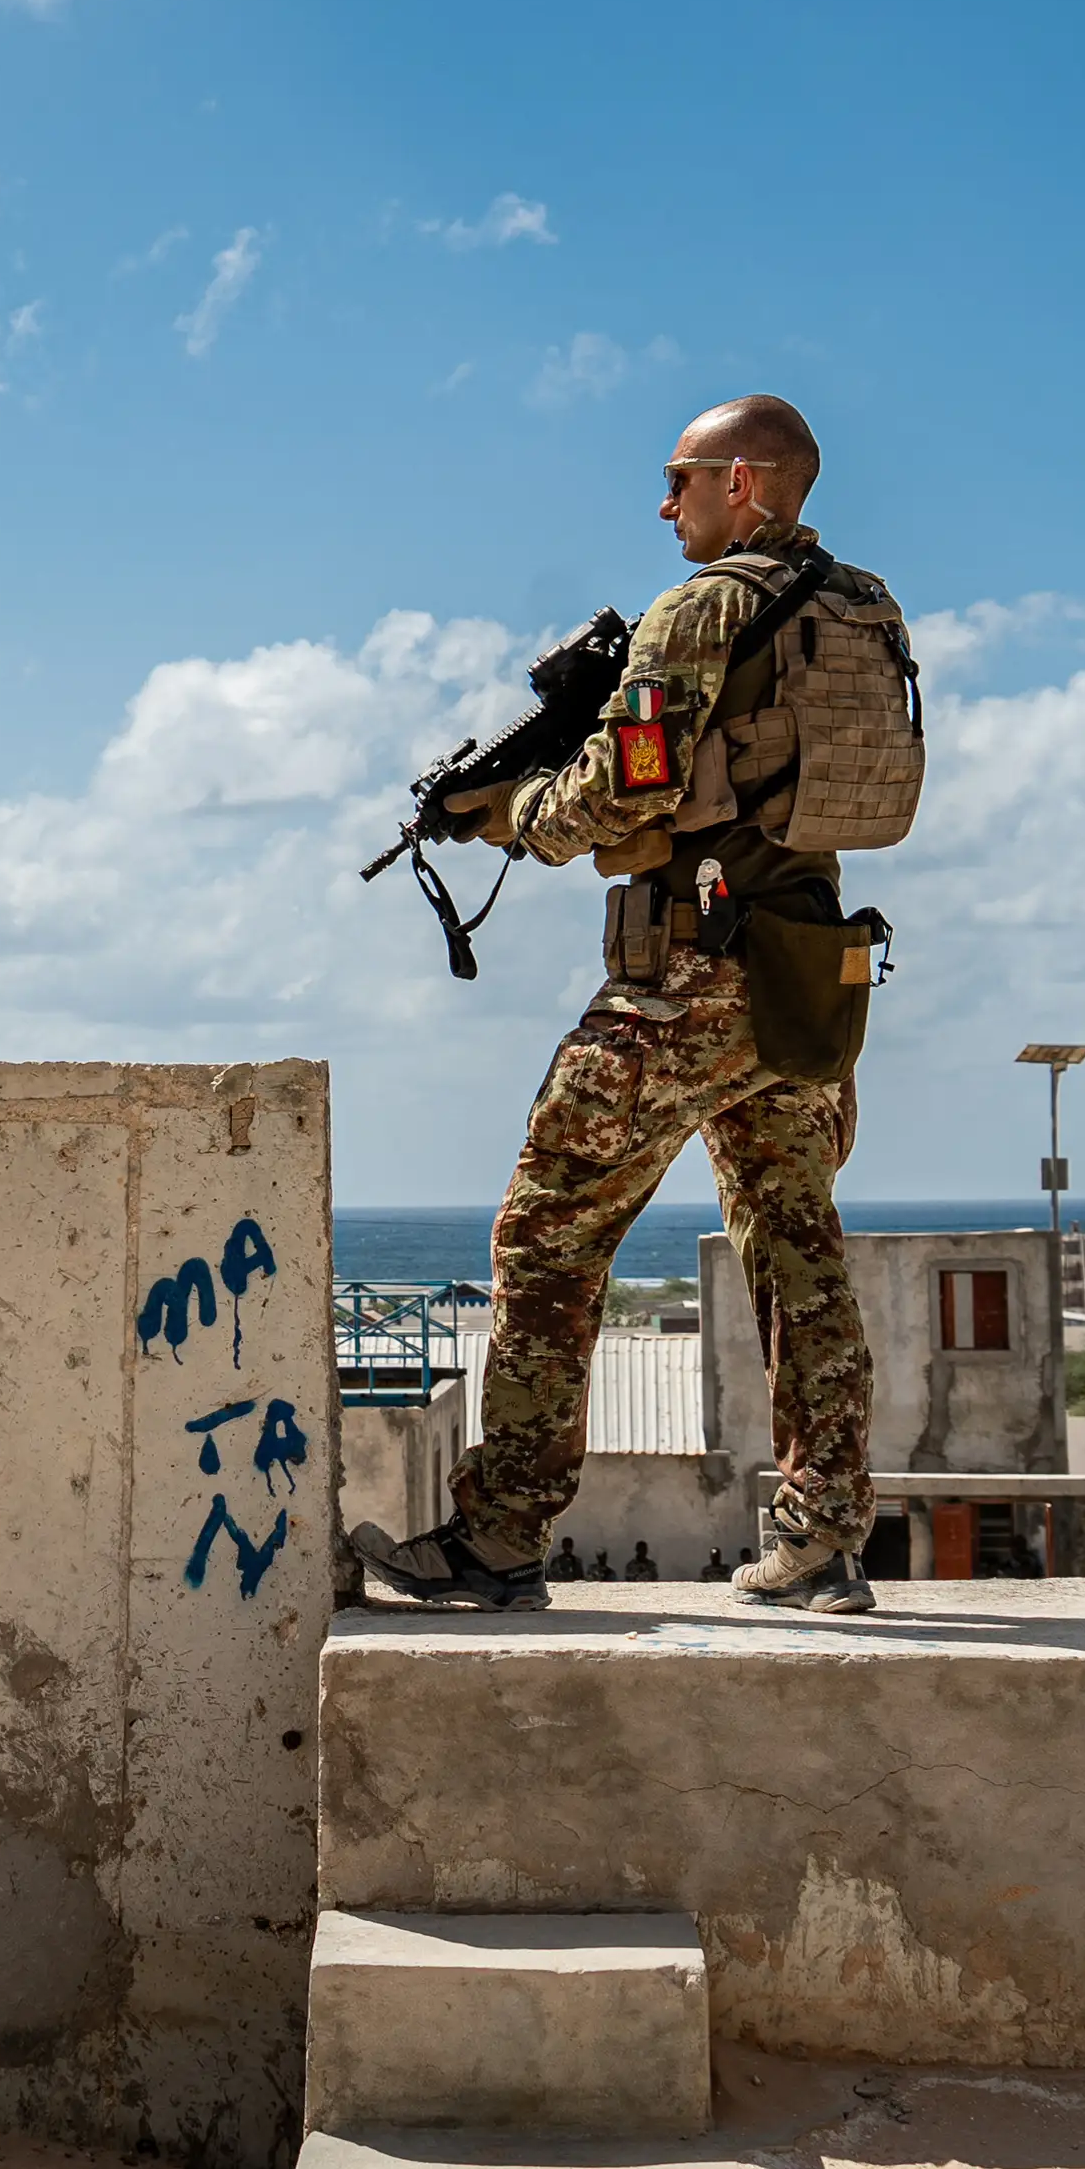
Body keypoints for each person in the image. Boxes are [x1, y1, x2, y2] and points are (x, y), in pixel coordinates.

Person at [350, 396, 899, 1616]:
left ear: (742, 482)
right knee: (800, 1254)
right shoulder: (862, 606)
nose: (665, 504)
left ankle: (500, 1536)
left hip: (687, 980)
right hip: (808, 975)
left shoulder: (702, 610)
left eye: (680, 478)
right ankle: (823, 1540)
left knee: (547, 1232)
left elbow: (623, 789)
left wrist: (513, 812)